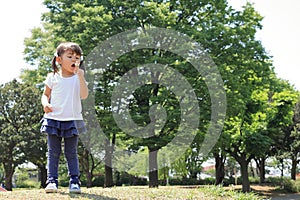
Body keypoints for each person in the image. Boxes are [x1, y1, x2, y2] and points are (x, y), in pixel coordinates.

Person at [40, 42, 88, 193]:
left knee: (71, 152)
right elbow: (45, 95)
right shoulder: (52, 77)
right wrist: (45, 104)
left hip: (72, 119)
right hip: (53, 119)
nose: (74, 60)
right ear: (59, 60)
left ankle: (74, 181)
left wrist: (80, 77)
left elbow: (84, 95)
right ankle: (51, 181)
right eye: (70, 56)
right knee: (53, 152)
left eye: (77, 57)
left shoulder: (78, 78)